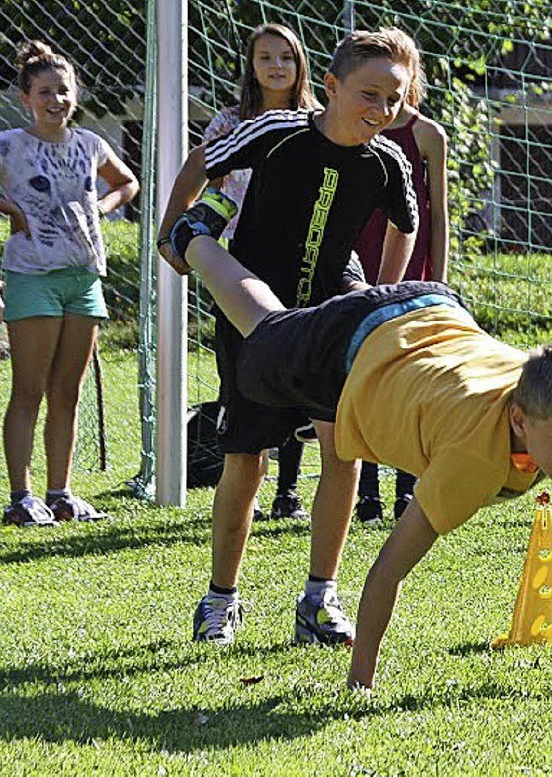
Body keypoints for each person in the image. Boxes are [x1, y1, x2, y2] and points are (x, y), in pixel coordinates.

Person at [169, 201, 552, 691]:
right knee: (264, 325)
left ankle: (344, 267)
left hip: (429, 308)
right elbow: (389, 569)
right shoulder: (472, 457)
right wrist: (360, 683)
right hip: (350, 351)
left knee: (324, 324)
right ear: (518, 418)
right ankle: (195, 238)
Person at [158, 28, 420, 647]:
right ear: (330, 87)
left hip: (331, 319)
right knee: (247, 456)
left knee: (342, 449)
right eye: (368, 94)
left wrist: (379, 301)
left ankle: (319, 599)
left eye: (393, 100)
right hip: (252, 312)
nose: (380, 111)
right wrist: (171, 231)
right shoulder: (277, 134)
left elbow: (405, 226)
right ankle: (220, 600)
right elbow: (203, 159)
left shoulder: (389, 162)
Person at [0, 41, 139, 527]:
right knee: (29, 389)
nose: (56, 100)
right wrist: (10, 207)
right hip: (32, 274)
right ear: (25, 98)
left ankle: (61, 492)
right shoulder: (9, 144)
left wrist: (101, 208)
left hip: (84, 278)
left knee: (67, 392)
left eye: (64, 90)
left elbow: (127, 182)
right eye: (44, 92)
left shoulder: (89, 144)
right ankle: (22, 496)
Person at [203, 23, 321, 522]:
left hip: (300, 263)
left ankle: (288, 491)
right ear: (250, 65)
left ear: (301, 66)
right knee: (244, 372)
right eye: (265, 57)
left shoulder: (318, 124)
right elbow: (209, 183)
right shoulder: (227, 124)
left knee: (297, 372)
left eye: (286, 58)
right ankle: (248, 474)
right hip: (238, 266)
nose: (276, 67)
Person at [353, 29, 449, 525]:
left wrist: (441, 279)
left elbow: (440, 216)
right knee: (365, 375)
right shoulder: (356, 127)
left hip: (412, 270)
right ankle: (366, 490)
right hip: (359, 266)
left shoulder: (428, 134)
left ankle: (407, 488)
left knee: (411, 380)